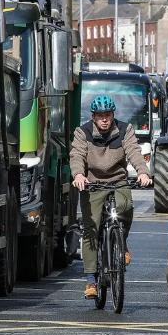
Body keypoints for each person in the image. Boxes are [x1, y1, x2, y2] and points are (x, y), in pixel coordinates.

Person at [70, 95, 153, 299]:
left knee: (125, 207)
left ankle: (121, 243)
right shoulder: (83, 132)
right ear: (93, 117)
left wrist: (143, 172)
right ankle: (91, 281)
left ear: (113, 115)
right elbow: (77, 154)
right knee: (91, 228)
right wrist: (79, 175)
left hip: (118, 181)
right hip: (92, 182)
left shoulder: (125, 130)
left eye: (108, 115)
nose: (105, 119)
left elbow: (134, 152)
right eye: (100, 116)